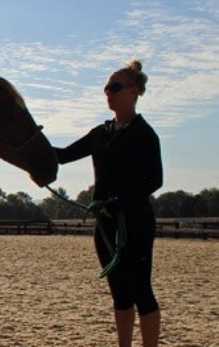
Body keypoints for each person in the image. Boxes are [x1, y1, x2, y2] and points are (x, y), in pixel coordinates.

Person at [54, 60, 162, 347]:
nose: (108, 92)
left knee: (141, 290)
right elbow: (63, 155)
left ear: (134, 92)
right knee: (119, 292)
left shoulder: (144, 134)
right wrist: (30, 146)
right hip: (105, 224)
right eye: (106, 87)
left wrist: (118, 202)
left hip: (134, 222)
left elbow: (155, 180)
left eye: (115, 87)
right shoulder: (100, 133)